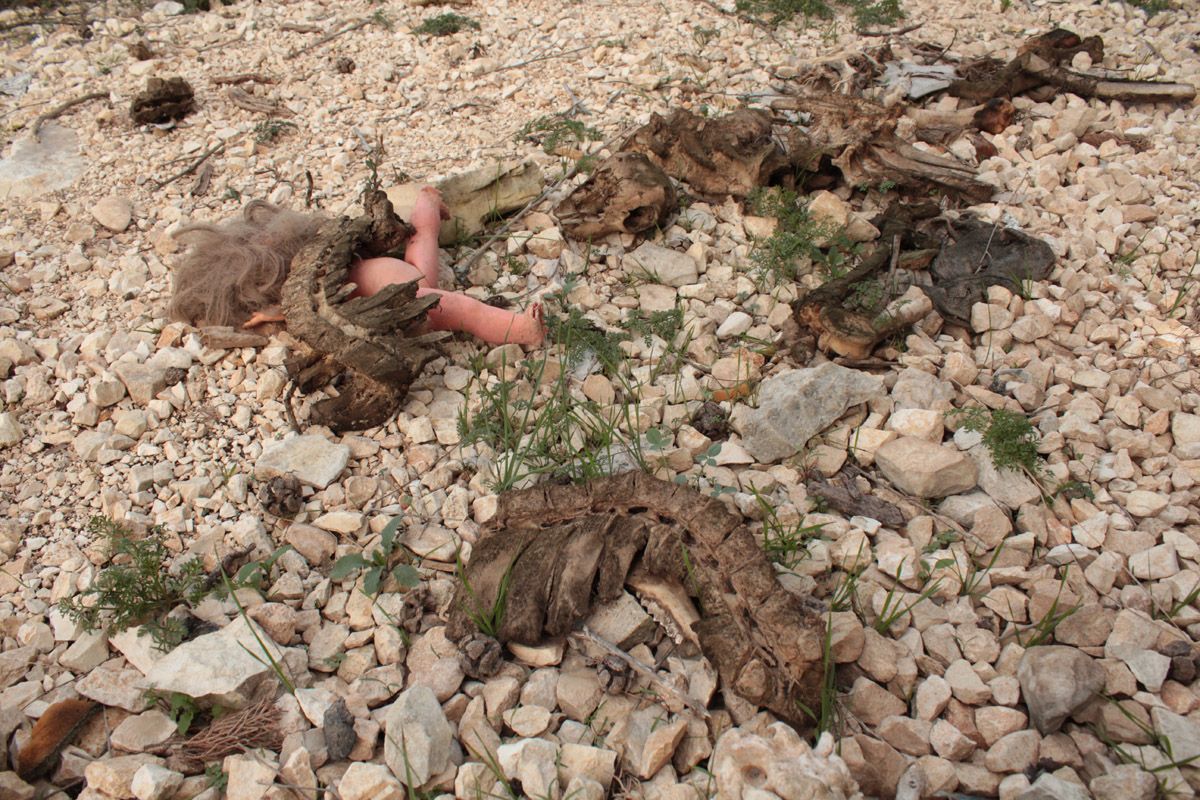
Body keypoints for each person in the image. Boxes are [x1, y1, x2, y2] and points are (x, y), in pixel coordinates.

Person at [169, 187, 544, 346]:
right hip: (407, 285)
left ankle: (521, 329)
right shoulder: (313, 267)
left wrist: (261, 318)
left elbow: (278, 311)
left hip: (412, 297)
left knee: (461, 309)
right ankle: (427, 202)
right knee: (422, 239)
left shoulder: (297, 296)